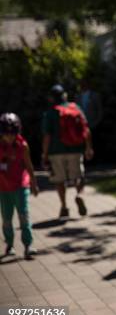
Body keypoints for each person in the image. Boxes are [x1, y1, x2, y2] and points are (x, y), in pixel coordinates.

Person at [42, 84, 94, 218]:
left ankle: (64, 206)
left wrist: (45, 154)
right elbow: (86, 129)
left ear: (51, 98)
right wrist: (88, 147)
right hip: (75, 149)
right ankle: (79, 195)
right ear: (64, 95)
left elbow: (47, 136)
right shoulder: (75, 108)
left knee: (59, 180)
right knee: (78, 177)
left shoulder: (51, 112)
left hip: (56, 151)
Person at [0, 113, 39, 259]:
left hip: (21, 186)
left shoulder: (22, 145)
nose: (10, 137)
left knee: (24, 215)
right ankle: (9, 244)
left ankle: (28, 245)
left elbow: (29, 166)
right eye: (6, 134)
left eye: (13, 134)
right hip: (3, 188)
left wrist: (34, 183)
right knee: (7, 219)